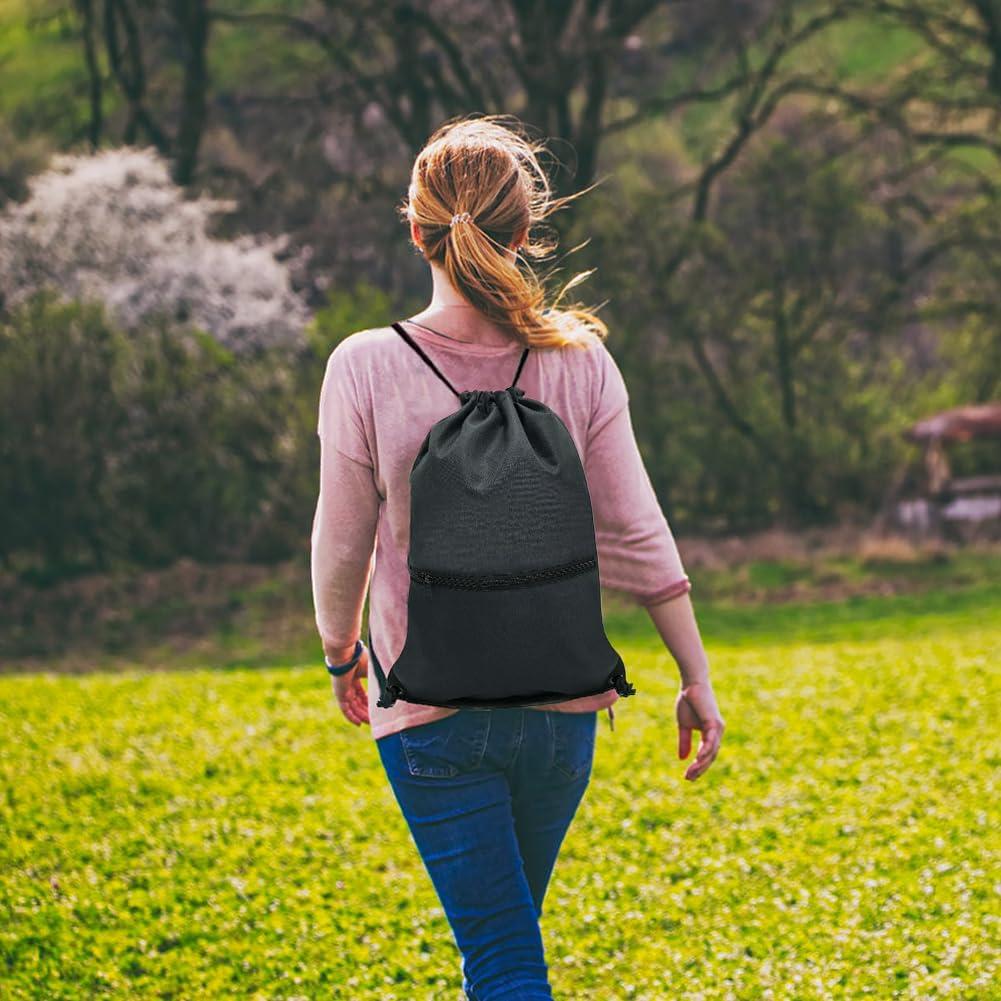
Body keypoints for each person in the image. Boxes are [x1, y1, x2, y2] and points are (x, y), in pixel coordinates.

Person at [311, 114, 725, 1001]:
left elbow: (340, 542)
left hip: (429, 714)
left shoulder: (365, 367)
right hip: (563, 712)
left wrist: (341, 651)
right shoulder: (578, 363)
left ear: (417, 230)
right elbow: (637, 533)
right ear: (527, 233)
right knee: (503, 949)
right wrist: (693, 675)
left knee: (501, 959)